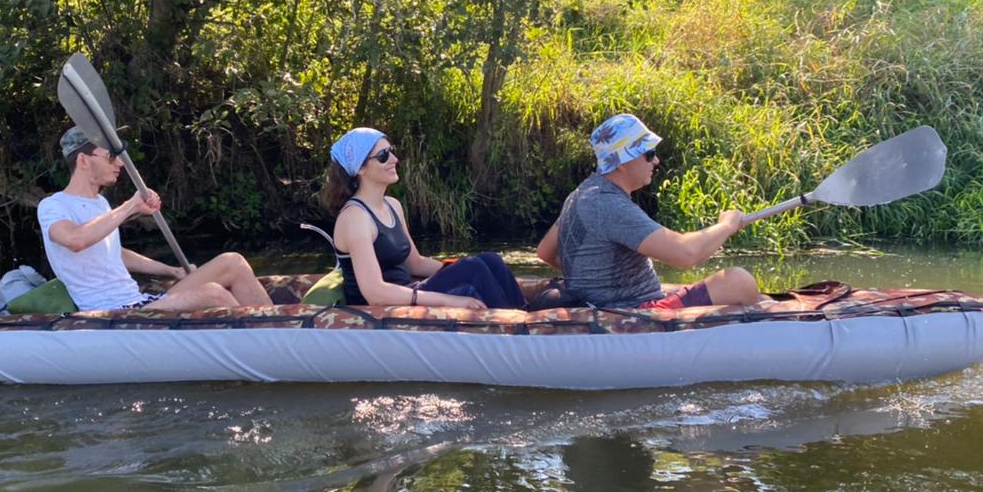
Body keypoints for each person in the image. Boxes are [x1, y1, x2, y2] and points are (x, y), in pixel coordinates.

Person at [536, 113, 759, 310]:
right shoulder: (610, 205)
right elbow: (686, 254)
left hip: (608, 302)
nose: (656, 160)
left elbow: (545, 251)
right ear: (621, 162)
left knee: (698, 284)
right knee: (739, 280)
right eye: (649, 154)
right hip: (633, 310)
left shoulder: (581, 193)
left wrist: (594, 279)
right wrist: (727, 225)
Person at [37, 127, 272, 311]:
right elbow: (75, 240)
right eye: (111, 157)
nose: (119, 163)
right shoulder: (52, 206)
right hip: (110, 310)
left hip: (138, 301)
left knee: (233, 261)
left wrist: (171, 270)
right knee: (213, 293)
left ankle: (281, 327)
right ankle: (263, 343)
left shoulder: (100, 204)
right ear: (83, 161)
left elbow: (113, 252)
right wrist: (131, 206)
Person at [320, 127, 524, 310]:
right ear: (360, 168)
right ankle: (515, 333)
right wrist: (447, 299)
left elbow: (415, 264)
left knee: (489, 260)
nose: (394, 159)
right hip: (381, 309)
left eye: (391, 150)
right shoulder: (355, 218)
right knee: (475, 268)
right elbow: (375, 293)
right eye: (383, 156)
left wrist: (460, 268)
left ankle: (526, 319)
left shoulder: (392, 205)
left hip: (407, 291)